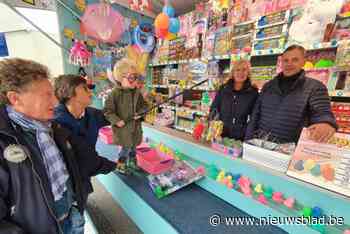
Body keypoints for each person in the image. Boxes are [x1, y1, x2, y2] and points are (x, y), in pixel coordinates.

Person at [0, 58, 115, 234]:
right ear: (15, 99)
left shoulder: (53, 127)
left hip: (72, 216)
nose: (55, 101)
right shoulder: (5, 141)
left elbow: (84, 158)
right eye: (46, 95)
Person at [246, 45, 337, 143]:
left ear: (303, 62)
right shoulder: (268, 86)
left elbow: (322, 112)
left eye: (295, 60)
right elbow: (255, 115)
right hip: (261, 144)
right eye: (286, 60)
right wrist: (248, 139)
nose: (289, 64)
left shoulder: (315, 87)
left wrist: (326, 122)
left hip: (290, 148)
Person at [103, 58, 148, 174]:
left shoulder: (137, 93)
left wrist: (141, 113)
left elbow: (144, 106)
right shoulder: (114, 94)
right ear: (120, 78)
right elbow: (107, 111)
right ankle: (121, 165)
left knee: (133, 147)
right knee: (125, 148)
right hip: (123, 129)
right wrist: (117, 120)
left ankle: (132, 162)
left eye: (136, 77)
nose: (135, 81)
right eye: (131, 78)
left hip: (135, 128)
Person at [54, 74, 109, 147]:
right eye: (85, 88)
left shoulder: (94, 114)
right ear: (69, 93)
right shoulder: (57, 123)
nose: (90, 92)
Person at [210, 60, 259, 140]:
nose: (241, 73)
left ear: (248, 73)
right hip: (220, 135)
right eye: (237, 70)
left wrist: (246, 132)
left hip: (241, 137)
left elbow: (254, 117)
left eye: (244, 70)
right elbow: (214, 109)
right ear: (233, 73)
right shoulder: (223, 89)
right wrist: (214, 128)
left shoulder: (253, 93)